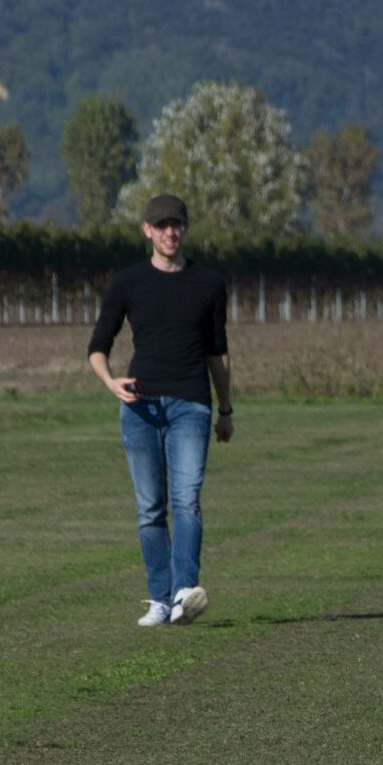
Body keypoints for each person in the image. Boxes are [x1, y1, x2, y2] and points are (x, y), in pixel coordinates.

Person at [87, 193, 234, 627]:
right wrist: (111, 382)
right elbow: (97, 347)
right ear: (147, 230)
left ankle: (184, 592)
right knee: (151, 507)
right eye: (162, 225)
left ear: (185, 229)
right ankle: (159, 597)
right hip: (140, 407)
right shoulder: (128, 283)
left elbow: (218, 352)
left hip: (191, 404)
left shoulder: (208, 284)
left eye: (177, 224)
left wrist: (225, 409)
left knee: (186, 500)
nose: (171, 232)